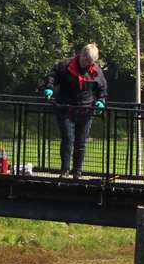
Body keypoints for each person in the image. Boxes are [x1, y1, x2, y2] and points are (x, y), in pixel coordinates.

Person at [44, 44, 108, 178]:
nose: (87, 64)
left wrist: (101, 101)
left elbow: (102, 89)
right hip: (65, 108)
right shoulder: (66, 65)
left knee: (81, 141)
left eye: (90, 62)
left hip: (86, 111)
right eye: (86, 60)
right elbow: (53, 75)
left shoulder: (96, 71)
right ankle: (65, 170)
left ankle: (77, 171)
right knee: (68, 138)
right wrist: (49, 87)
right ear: (82, 55)